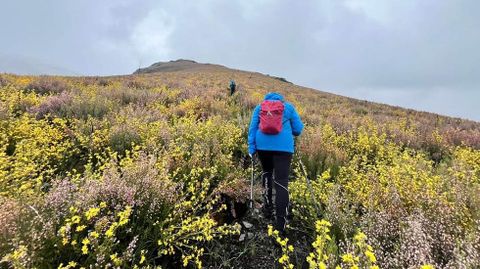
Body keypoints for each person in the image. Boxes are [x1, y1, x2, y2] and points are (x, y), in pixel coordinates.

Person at [248, 92, 304, 234]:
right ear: (281, 100)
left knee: (267, 172)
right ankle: (280, 224)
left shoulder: (259, 107)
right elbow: (298, 130)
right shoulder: (289, 108)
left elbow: (252, 129)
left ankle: (267, 207)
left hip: (263, 147)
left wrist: (251, 148)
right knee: (281, 183)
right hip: (284, 149)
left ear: (267, 99)